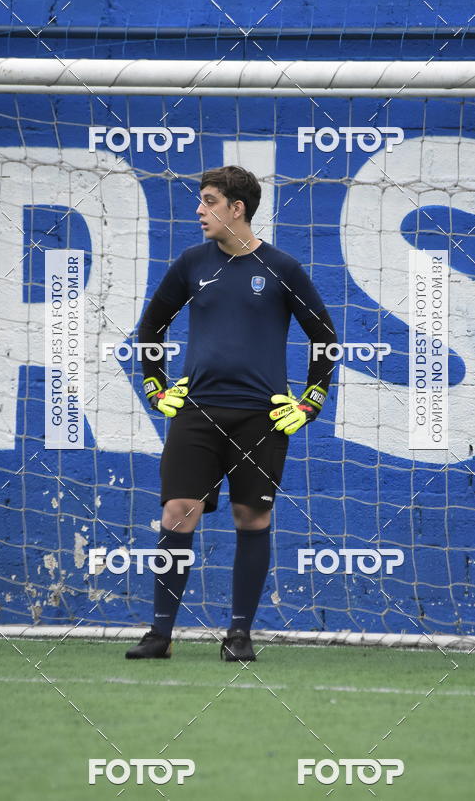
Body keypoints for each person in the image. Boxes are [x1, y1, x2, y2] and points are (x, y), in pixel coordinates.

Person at [125, 165, 337, 662]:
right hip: (196, 415)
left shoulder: (282, 268)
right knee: (177, 514)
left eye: (209, 201)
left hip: (260, 420)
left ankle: (239, 634)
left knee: (252, 516)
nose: (200, 211)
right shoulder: (191, 263)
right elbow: (151, 328)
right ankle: (160, 635)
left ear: (236, 208)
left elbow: (324, 338)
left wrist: (310, 401)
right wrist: (156, 387)